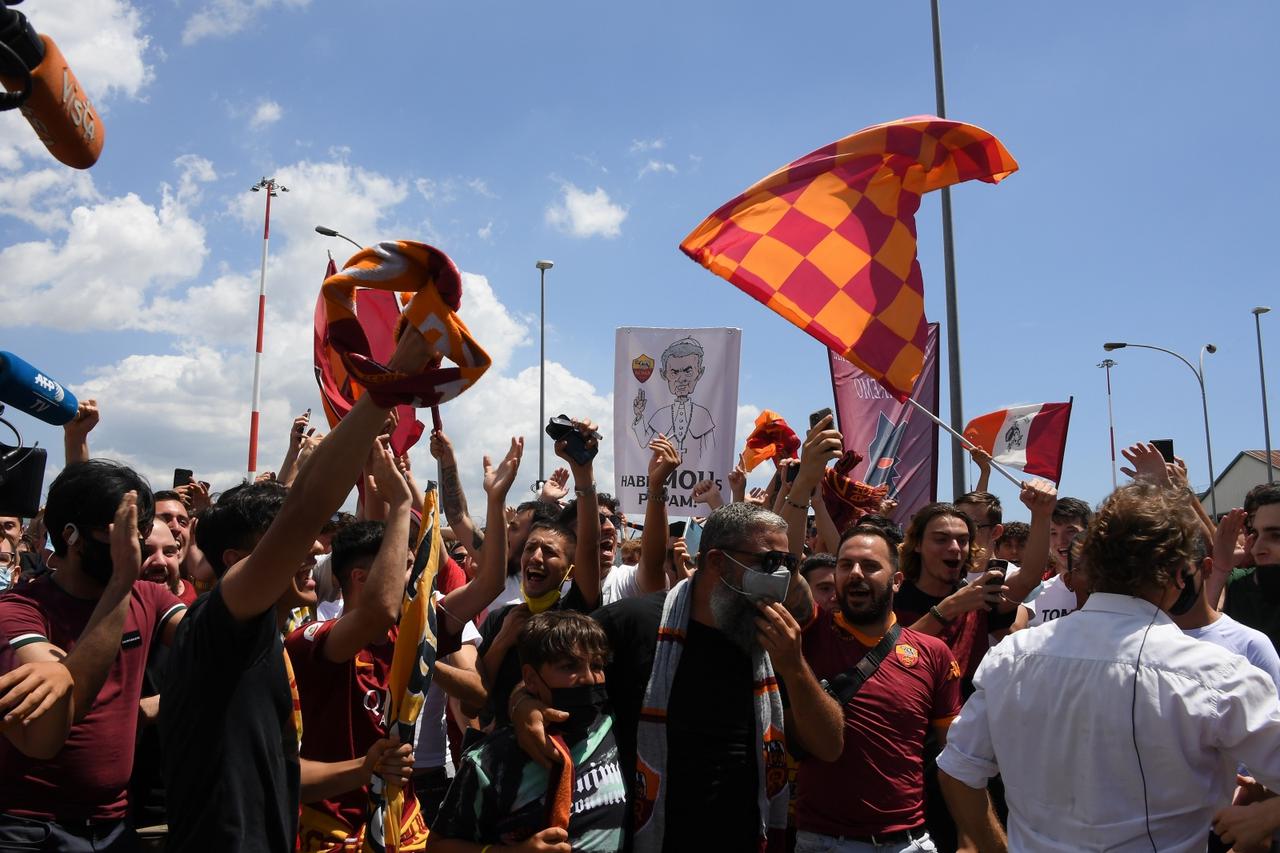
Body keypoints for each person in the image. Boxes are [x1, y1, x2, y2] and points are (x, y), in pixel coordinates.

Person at [160, 331, 432, 853]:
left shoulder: (263, 638)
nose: (311, 549)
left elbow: (285, 770)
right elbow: (306, 505)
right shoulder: (217, 625)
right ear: (238, 565)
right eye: (286, 544)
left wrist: (363, 766)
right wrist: (392, 376)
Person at [938, 483, 1280, 852]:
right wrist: (1267, 814)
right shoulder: (1216, 675)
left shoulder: (1012, 655)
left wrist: (995, 846)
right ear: (1181, 574)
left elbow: (958, 769)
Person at [515, 497, 843, 853]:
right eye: (769, 562)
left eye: (788, 563)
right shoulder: (633, 624)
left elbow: (828, 746)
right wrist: (522, 704)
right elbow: (541, 676)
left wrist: (795, 667)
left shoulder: (772, 642)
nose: (780, 575)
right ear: (718, 561)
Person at [0, 462, 185, 851]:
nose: (132, 546)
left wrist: (157, 705)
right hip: (30, 827)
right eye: (116, 532)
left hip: (114, 824)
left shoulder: (147, 598)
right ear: (70, 534)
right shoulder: (19, 610)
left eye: (140, 530)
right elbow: (54, 715)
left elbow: (214, 644)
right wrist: (119, 582)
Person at [795, 523, 962, 853]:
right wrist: (802, 488)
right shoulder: (811, 631)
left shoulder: (933, 653)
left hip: (911, 842)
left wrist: (969, 834)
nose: (855, 573)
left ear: (897, 581)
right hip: (826, 843)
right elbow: (784, 571)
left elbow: (955, 758)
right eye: (845, 565)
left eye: (870, 565)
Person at [428, 611, 627, 853]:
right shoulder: (489, 762)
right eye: (569, 666)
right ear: (531, 679)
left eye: (597, 665)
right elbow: (438, 846)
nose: (588, 678)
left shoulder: (614, 726)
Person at [476, 418, 603, 727]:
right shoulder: (499, 620)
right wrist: (503, 641)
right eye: (531, 547)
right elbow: (476, 696)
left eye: (549, 552)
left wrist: (583, 474)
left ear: (570, 570)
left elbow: (588, 544)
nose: (536, 557)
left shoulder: (576, 611)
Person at [630, 336, 715, 465]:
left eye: (688, 371)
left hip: (696, 476)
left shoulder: (703, 414)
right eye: (674, 372)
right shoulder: (661, 413)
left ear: (700, 373)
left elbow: (712, 453)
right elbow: (643, 442)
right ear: (664, 374)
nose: (681, 379)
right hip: (663, 476)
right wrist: (638, 415)